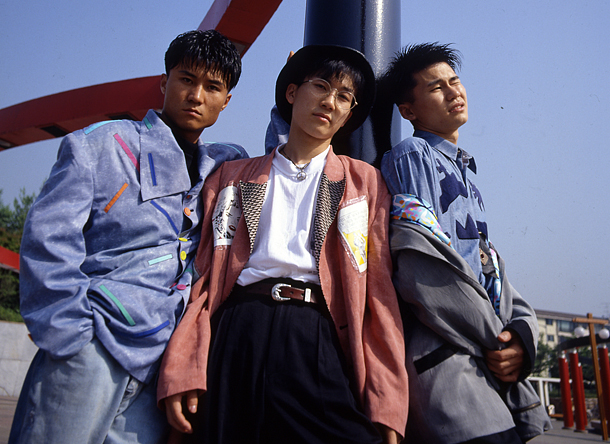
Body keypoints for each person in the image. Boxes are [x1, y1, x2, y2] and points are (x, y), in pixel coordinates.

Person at [157, 45, 409, 444]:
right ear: (292, 93)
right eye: (320, 86)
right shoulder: (231, 176)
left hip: (316, 335)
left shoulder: (364, 184)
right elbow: (201, 279)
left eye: (344, 96)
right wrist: (182, 367)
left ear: (348, 114)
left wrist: (387, 403)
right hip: (236, 329)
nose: (329, 101)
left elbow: (378, 294)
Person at [9, 30, 247, 444]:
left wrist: (292, 99)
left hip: (160, 363)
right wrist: (71, 336)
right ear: (164, 83)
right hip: (91, 346)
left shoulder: (223, 165)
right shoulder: (101, 146)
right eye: (186, 79)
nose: (196, 96)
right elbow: (48, 239)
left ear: (226, 101)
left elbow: (281, 169)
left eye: (212, 87)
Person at [378, 43, 550, 443]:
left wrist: (520, 336)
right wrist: (497, 340)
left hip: (483, 358)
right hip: (448, 361)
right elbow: (423, 260)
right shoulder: (414, 155)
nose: (453, 91)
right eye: (436, 87)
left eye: (454, 81)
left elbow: (487, 265)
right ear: (408, 110)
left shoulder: (465, 169)